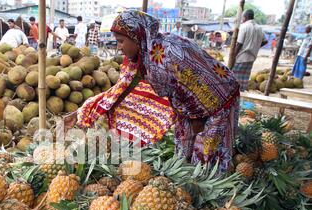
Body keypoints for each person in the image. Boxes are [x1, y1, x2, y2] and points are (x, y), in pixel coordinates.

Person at [65, 10, 240, 173]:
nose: (119, 47)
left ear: (136, 37)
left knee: (208, 156)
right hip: (189, 103)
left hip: (219, 99)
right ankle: (186, 184)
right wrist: (83, 111)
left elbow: (196, 89)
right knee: (183, 149)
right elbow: (121, 89)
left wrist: (197, 120)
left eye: (121, 41)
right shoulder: (144, 54)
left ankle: (212, 203)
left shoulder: (167, 55)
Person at [232, 10, 267, 91]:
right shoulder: (259, 28)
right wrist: (255, 47)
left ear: (245, 17)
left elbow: (239, 43)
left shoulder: (244, 26)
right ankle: (241, 94)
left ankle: (235, 94)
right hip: (252, 57)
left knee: (236, 78)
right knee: (244, 79)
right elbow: (265, 41)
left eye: (243, 17)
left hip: (242, 57)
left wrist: (234, 56)